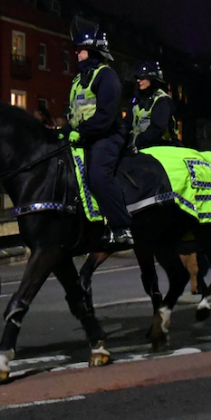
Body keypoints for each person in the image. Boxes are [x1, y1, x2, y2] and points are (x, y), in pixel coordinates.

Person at [64, 18, 133, 249]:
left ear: (92, 51)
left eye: (81, 50)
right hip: (86, 135)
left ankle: (122, 227)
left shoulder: (106, 76)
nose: (77, 54)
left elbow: (106, 115)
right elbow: (74, 114)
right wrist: (62, 132)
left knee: (98, 176)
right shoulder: (78, 80)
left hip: (107, 136)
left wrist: (81, 133)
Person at [124, 60, 181, 150]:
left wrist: (135, 141)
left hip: (162, 148)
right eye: (137, 77)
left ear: (152, 79)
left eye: (142, 77)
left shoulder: (162, 100)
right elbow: (126, 124)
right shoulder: (137, 100)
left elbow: (157, 130)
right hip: (142, 148)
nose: (138, 80)